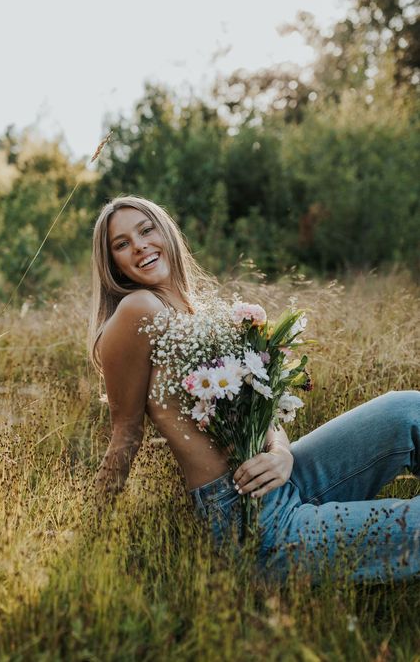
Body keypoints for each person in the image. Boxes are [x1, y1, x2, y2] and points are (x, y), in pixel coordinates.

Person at [89, 195, 420, 584]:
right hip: (250, 524)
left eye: (146, 230)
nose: (140, 245)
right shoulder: (138, 309)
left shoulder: (204, 313)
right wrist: (89, 538)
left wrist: (281, 454)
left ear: (167, 233)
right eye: (122, 243)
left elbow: (262, 402)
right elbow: (125, 432)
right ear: (113, 264)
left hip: (282, 478)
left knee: (407, 410)